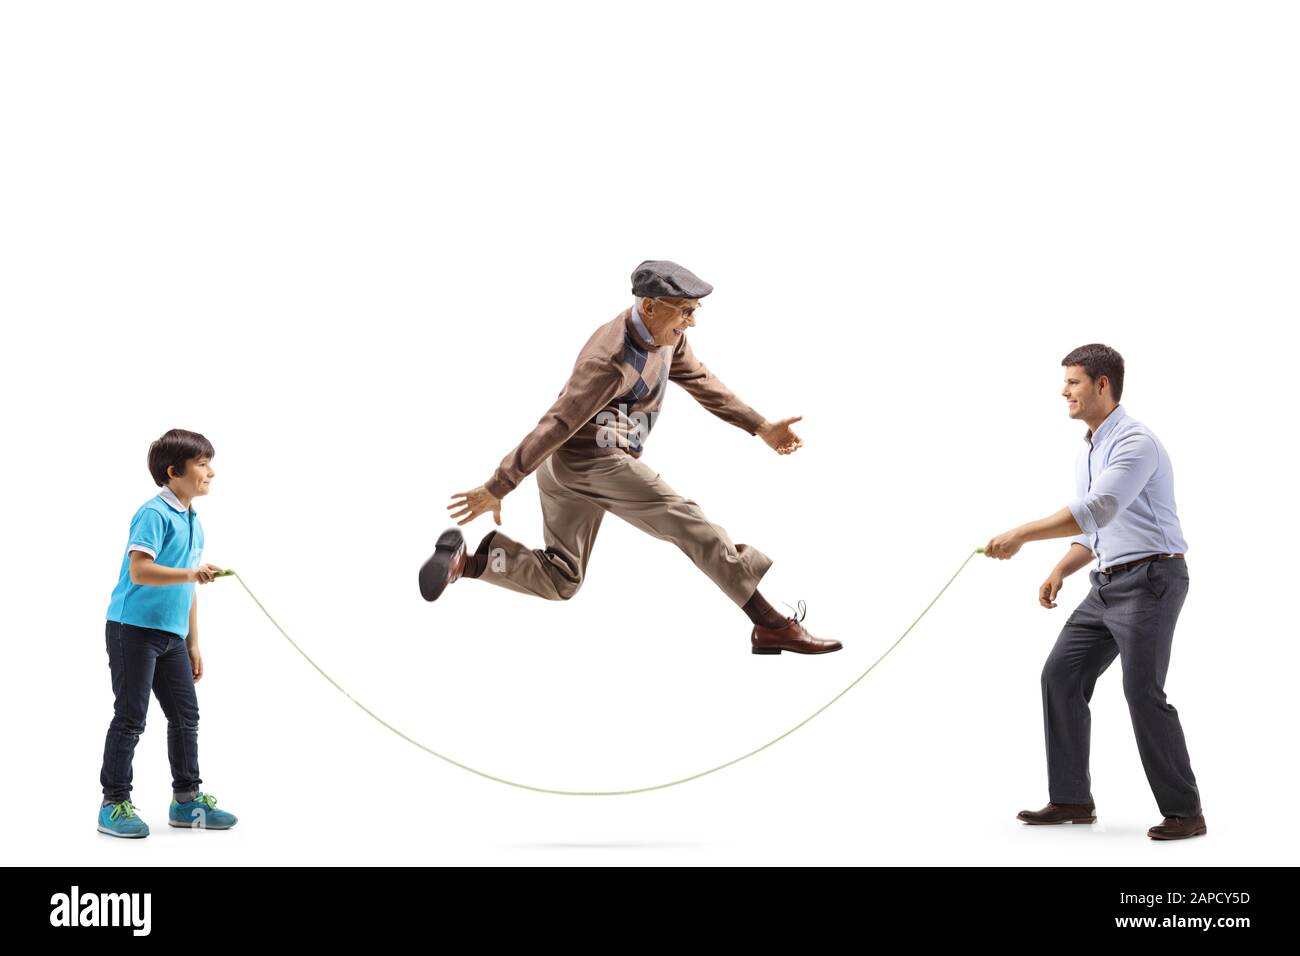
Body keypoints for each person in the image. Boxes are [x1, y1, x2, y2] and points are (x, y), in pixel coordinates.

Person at [420, 259, 839, 655]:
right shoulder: (609, 359)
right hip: (594, 461)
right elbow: (556, 425)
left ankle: (468, 563)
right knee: (690, 523)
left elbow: (700, 380)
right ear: (650, 306)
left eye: (694, 311)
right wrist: (499, 485)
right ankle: (771, 624)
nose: (691, 321)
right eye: (685, 311)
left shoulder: (667, 337)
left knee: (562, 578)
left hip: (564, 468)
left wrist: (760, 426)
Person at [983, 344, 1204, 840]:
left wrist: (1020, 533)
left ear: (1102, 384)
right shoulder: (1091, 444)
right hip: (1106, 585)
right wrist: (1061, 568)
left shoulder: (1135, 442)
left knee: (1141, 692)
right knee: (1060, 676)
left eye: (1073, 382)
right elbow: (1097, 532)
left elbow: (1098, 508)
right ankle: (1071, 800)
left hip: (1152, 581)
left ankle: (1186, 811)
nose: (1064, 391)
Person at [99, 428, 239, 837]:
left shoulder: (194, 518)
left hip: (171, 636)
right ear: (173, 471)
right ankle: (114, 803)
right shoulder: (154, 514)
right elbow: (139, 570)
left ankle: (187, 802)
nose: (210, 471)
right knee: (131, 717)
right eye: (202, 464)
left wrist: (193, 641)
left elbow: (187, 586)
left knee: (185, 716)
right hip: (133, 630)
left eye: (209, 462)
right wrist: (190, 572)